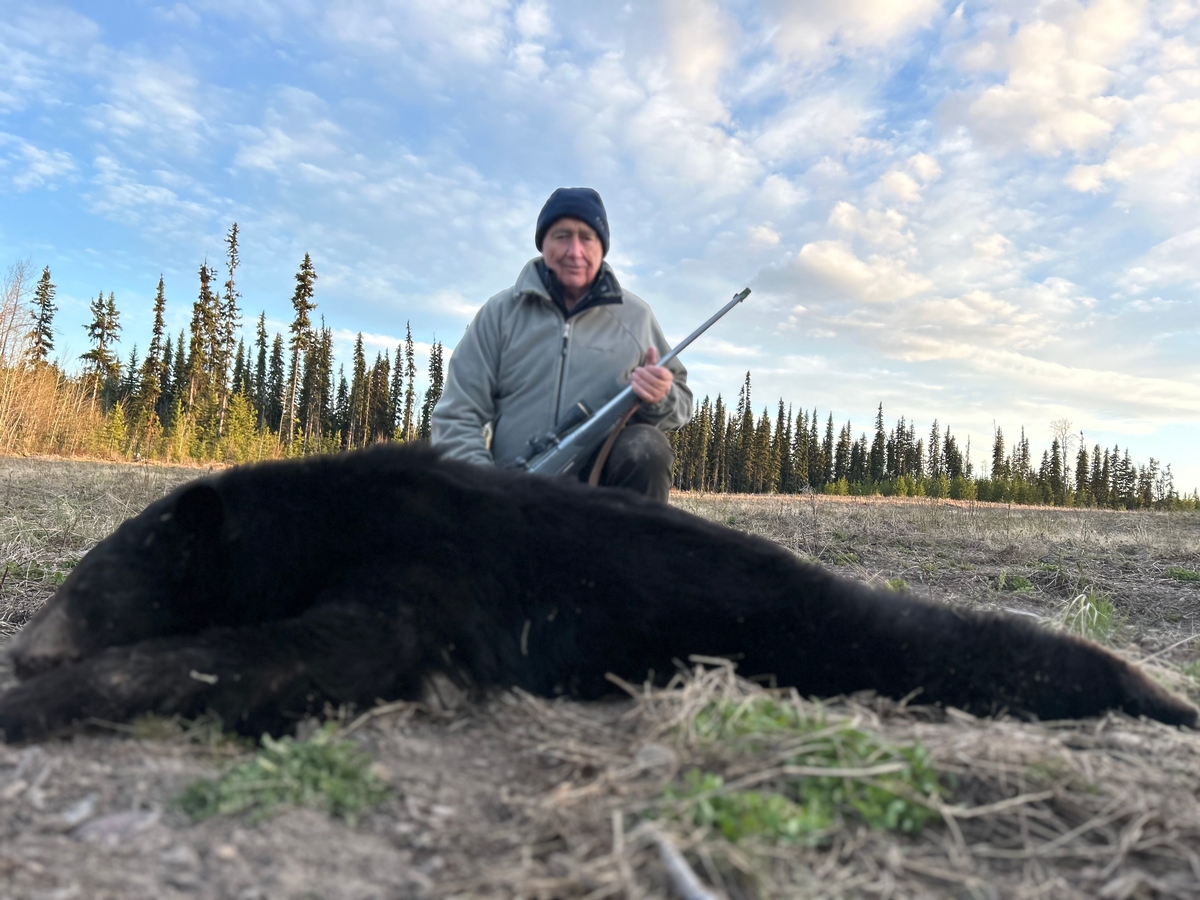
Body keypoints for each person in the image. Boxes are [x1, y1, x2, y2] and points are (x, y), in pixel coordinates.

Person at [431, 187, 693, 502]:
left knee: (646, 447)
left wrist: (660, 396)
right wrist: (485, 489)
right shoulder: (500, 314)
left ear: (602, 247)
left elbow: (682, 405)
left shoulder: (636, 318)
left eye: (587, 237)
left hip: (602, 505)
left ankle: (634, 535)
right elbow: (456, 416)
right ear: (542, 242)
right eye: (562, 236)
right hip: (510, 496)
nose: (574, 251)